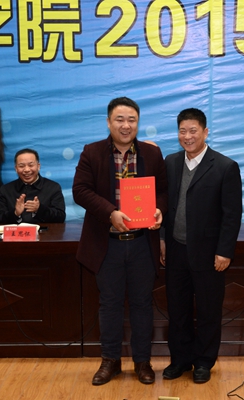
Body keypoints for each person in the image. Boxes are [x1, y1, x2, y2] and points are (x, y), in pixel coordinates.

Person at [73, 97, 167, 386]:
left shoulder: (151, 153)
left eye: (132, 120)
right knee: (110, 304)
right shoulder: (92, 152)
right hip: (107, 243)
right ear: (108, 122)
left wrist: (159, 210)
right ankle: (110, 361)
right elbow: (80, 191)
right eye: (120, 119)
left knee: (142, 304)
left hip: (142, 243)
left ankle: (142, 362)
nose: (126, 126)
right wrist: (110, 212)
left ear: (138, 123)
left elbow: (164, 191)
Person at [160, 108, 242, 384]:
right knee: (178, 309)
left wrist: (225, 251)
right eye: (182, 131)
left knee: (208, 310)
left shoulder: (225, 166)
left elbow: (232, 214)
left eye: (193, 130)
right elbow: (165, 206)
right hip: (175, 249)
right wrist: (162, 239)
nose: (188, 136)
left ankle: (204, 362)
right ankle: (180, 360)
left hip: (209, 253)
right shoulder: (170, 162)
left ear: (205, 132)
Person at [0, 148, 66, 224]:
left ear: (38, 166)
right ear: (16, 169)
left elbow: (60, 217)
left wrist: (39, 209)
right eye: (21, 166)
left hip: (44, 231)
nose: (27, 170)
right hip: (16, 231)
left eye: (31, 165)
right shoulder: (6, 190)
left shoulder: (53, 187)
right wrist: (15, 213)